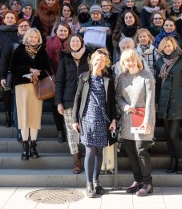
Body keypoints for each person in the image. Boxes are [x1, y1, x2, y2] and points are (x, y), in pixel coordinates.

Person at [72, 49, 117, 198]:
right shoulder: (84, 77)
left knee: (99, 151)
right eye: (97, 60)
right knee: (90, 150)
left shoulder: (108, 80)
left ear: (106, 64)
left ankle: (97, 182)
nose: (99, 63)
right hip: (87, 119)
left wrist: (113, 119)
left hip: (102, 119)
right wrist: (74, 120)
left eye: (102, 61)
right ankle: (89, 183)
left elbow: (111, 102)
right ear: (92, 61)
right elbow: (77, 98)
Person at [116, 49, 156, 197]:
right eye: (127, 61)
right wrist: (125, 106)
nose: (131, 63)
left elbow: (150, 101)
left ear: (137, 60)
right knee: (131, 151)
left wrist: (147, 122)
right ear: (124, 63)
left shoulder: (146, 75)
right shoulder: (122, 77)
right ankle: (138, 180)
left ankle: (147, 183)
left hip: (144, 118)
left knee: (141, 151)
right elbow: (118, 96)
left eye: (133, 60)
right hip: (128, 119)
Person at [6, 27, 50, 160]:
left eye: (35, 37)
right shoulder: (19, 50)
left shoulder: (42, 52)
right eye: (30, 37)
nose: (32, 39)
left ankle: (34, 146)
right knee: (24, 116)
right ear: (26, 38)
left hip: (37, 86)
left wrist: (37, 73)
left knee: (35, 116)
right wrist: (28, 69)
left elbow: (46, 69)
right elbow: (13, 68)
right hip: (22, 86)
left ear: (38, 39)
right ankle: (25, 147)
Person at [155, 36, 182, 175]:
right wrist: (156, 102)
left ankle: (180, 162)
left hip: (178, 101)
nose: (168, 48)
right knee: (167, 135)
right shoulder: (159, 62)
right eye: (165, 46)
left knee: (173, 134)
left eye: (169, 45)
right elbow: (158, 83)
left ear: (174, 46)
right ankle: (173, 162)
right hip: (164, 102)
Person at [55, 34, 91, 174]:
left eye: (77, 41)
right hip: (68, 100)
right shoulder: (65, 59)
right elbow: (59, 81)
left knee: (87, 129)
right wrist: (58, 102)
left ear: (82, 43)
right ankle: (77, 161)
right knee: (71, 132)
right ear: (69, 44)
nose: (75, 43)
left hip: (86, 99)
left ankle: (89, 157)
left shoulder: (88, 57)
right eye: (72, 41)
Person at [0, 10, 19, 127]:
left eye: (12, 18)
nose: (9, 20)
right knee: (7, 95)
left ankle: (16, 118)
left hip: (17, 68)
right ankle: (8, 119)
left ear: (16, 20)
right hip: (3, 68)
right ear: (4, 19)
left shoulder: (19, 32)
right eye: (7, 17)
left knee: (17, 95)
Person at [45, 22, 72, 142]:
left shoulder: (73, 42)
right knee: (56, 106)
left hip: (69, 79)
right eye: (60, 30)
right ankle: (60, 131)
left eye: (65, 31)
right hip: (54, 78)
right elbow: (45, 60)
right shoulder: (49, 43)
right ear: (56, 31)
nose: (63, 33)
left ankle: (69, 130)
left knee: (68, 106)